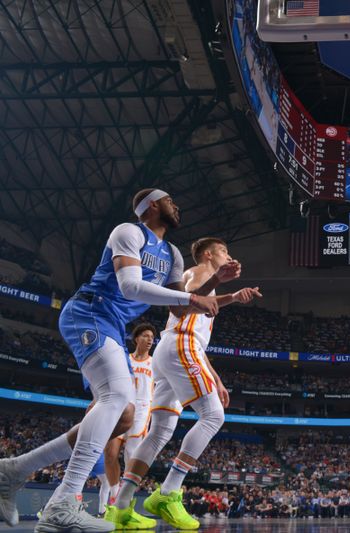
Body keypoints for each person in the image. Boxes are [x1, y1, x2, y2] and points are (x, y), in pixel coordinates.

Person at [0, 189, 224, 532]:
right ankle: (63, 503)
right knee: (117, 398)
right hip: (88, 312)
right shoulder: (129, 232)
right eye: (169, 200)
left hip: (111, 325)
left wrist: (217, 286)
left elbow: (180, 309)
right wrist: (193, 295)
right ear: (150, 206)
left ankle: (14, 470)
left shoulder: (173, 254)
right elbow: (131, 287)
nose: (176, 205)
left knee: (124, 417)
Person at [107, 237, 261, 530]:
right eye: (224, 251)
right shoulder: (200, 272)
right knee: (214, 416)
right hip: (182, 345)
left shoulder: (205, 280)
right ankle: (167, 492)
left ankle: (121, 507)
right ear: (208, 254)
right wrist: (218, 278)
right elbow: (183, 306)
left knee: (159, 432)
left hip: (172, 350)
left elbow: (199, 305)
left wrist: (233, 296)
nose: (229, 255)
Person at [102, 323, 157, 510]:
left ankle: (125, 500)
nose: (150, 340)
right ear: (136, 339)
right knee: (109, 453)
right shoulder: (125, 358)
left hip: (142, 408)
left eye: (152, 337)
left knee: (131, 455)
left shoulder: (155, 363)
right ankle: (115, 493)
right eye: (146, 336)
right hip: (121, 405)